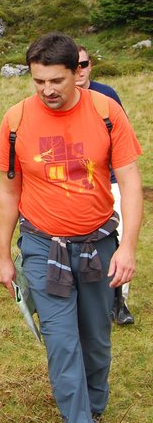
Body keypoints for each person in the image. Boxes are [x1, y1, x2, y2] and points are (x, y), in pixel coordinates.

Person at [0, 33, 142, 423]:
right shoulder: (17, 119)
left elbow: (129, 181)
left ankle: (93, 404)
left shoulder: (107, 111)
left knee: (95, 340)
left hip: (98, 244)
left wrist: (127, 247)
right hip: (43, 246)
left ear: (77, 73)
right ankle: (79, 422)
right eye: (38, 81)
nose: (47, 90)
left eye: (55, 81)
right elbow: (9, 191)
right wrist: (3, 255)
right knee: (61, 341)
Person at [75, 45, 134, 326]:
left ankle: (119, 303)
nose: (79, 71)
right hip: (77, 184)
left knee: (118, 238)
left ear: (90, 66)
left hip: (110, 180)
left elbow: (123, 140)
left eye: (83, 64)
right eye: (73, 65)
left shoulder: (107, 96)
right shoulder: (55, 100)